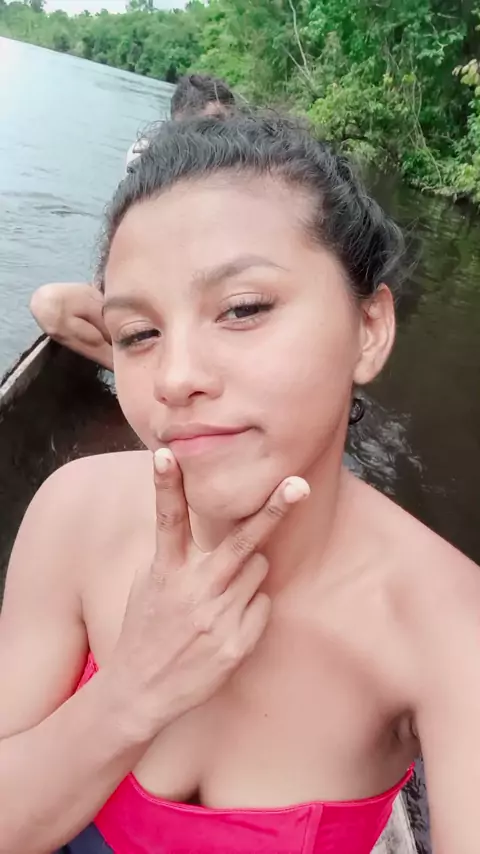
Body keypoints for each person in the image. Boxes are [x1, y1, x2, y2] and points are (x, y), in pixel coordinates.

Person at [1, 113, 479, 854]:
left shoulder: (448, 627)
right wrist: (131, 693)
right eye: (138, 334)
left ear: (370, 329)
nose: (175, 377)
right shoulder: (74, 511)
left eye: (244, 309)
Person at [29, 74, 237, 372]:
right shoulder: (147, 160)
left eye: (227, 122)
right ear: (179, 122)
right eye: (213, 122)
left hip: (196, 314)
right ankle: (132, 374)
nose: (224, 132)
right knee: (49, 304)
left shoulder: (234, 169)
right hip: (148, 309)